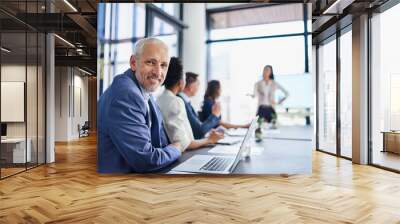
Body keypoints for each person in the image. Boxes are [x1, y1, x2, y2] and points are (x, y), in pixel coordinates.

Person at [97, 37, 181, 173]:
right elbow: (145, 160)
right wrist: (176, 149)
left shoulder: (144, 91)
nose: (158, 72)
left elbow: (160, 141)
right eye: (151, 62)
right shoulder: (126, 94)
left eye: (163, 65)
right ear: (133, 63)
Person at [157, 57, 224, 150]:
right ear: (180, 82)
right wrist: (209, 139)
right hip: (182, 156)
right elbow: (184, 144)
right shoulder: (175, 101)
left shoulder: (159, 99)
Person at [177, 72, 221, 139]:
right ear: (191, 87)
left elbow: (198, 127)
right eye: (198, 85)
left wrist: (208, 131)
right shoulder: (181, 101)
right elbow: (199, 132)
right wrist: (215, 115)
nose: (198, 88)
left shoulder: (186, 101)